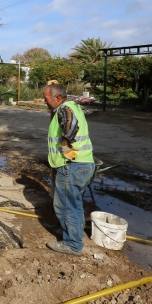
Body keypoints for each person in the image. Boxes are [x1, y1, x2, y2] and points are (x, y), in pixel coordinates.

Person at [43, 83, 95, 256]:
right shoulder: (74, 107)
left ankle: (73, 244)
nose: (45, 102)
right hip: (83, 164)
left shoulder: (65, 109)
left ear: (57, 97)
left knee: (64, 205)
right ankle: (76, 235)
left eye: (46, 98)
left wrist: (65, 147)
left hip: (72, 166)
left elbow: (70, 127)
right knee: (74, 203)